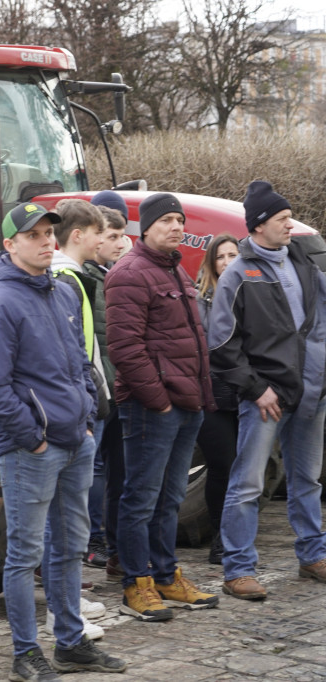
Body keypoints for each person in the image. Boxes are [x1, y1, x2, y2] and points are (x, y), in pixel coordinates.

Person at [0, 202, 127, 681]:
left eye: (49, 232)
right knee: (25, 555)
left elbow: (80, 360)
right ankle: (26, 653)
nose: (46, 241)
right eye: (33, 234)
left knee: (70, 546)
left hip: (75, 441)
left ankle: (71, 642)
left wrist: (82, 417)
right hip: (30, 450)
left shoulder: (60, 292)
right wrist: (34, 438)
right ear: (10, 244)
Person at [208, 181, 326, 599]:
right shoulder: (238, 274)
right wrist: (257, 389)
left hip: (312, 395)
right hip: (266, 401)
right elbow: (222, 345)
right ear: (259, 226)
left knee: (308, 480)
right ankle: (238, 568)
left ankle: (313, 556)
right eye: (281, 218)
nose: (289, 223)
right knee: (247, 484)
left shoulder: (306, 266)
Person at [105, 193, 219, 622]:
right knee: (141, 498)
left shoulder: (178, 273)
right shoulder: (130, 273)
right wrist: (160, 402)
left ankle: (166, 575)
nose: (175, 226)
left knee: (170, 498)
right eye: (166, 220)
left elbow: (193, 344)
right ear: (146, 227)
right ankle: (137, 583)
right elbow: (125, 348)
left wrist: (197, 400)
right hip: (153, 408)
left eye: (179, 219)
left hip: (187, 404)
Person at [46, 198, 110, 640]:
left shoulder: (76, 277)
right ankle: (60, 609)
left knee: (73, 522)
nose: (105, 239)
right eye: (99, 232)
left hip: (84, 402)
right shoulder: (66, 278)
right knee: (64, 523)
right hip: (75, 409)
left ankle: (67, 600)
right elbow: (77, 350)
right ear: (79, 234)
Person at [86, 193, 129, 582]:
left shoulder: (112, 275)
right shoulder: (87, 279)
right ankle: (94, 540)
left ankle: (116, 548)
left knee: (120, 471)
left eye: (121, 236)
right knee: (93, 467)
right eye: (112, 236)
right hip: (100, 390)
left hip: (119, 388)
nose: (118, 244)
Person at [194, 233, 240, 565]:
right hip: (213, 396)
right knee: (222, 467)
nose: (227, 262)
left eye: (232, 255)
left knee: (244, 469)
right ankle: (220, 540)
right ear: (211, 263)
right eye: (221, 257)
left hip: (246, 394)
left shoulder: (251, 296)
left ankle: (239, 538)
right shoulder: (201, 301)